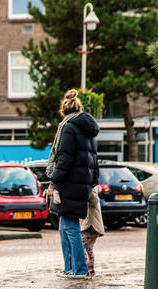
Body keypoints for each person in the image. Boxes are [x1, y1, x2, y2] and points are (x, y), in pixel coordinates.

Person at [46, 89, 100, 279]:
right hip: (81, 183)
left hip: (69, 184)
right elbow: (94, 159)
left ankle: (78, 268)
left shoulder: (68, 127)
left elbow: (64, 158)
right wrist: (93, 182)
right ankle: (69, 267)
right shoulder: (87, 130)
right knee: (65, 226)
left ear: (64, 109)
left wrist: (54, 181)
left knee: (70, 227)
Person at [80, 187, 104, 275]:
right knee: (89, 249)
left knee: (82, 247)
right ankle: (91, 268)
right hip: (93, 227)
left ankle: (85, 268)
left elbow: (93, 202)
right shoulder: (92, 190)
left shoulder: (90, 190)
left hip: (89, 226)